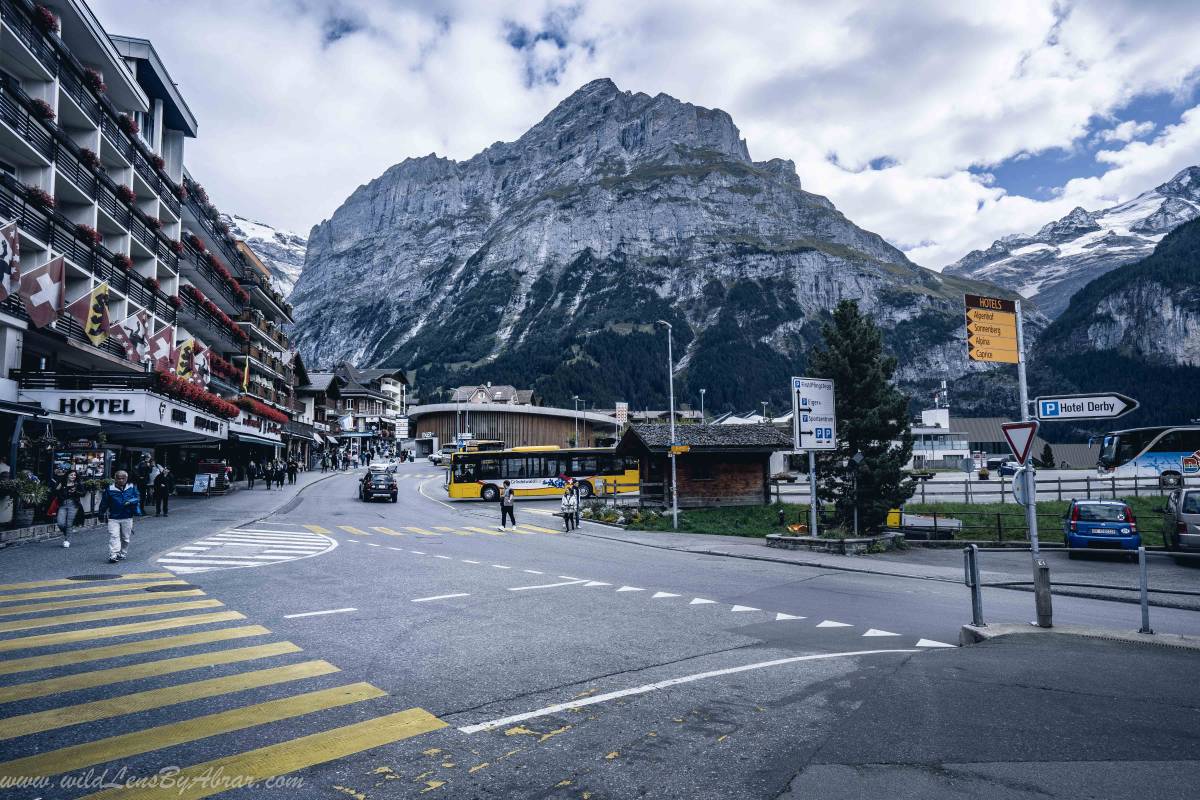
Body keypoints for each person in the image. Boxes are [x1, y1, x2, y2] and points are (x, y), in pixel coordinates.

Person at [99, 470, 141, 563]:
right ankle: (113, 554)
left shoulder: (131, 487)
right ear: (115, 479)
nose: (121, 480)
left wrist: (130, 502)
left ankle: (123, 553)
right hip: (113, 518)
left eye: (123, 478)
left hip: (127, 516)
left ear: (126, 478)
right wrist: (101, 514)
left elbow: (138, 498)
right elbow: (104, 503)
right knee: (114, 536)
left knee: (125, 538)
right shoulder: (110, 489)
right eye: (118, 478)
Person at [51, 469, 84, 548]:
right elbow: (55, 493)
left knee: (69, 524)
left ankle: (67, 540)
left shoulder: (77, 484)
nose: (73, 476)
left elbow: (83, 493)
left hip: (73, 505)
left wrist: (75, 491)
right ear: (67, 475)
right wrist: (57, 488)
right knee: (60, 523)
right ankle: (68, 533)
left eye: (74, 475)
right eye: (71, 475)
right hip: (62, 505)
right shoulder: (62, 483)